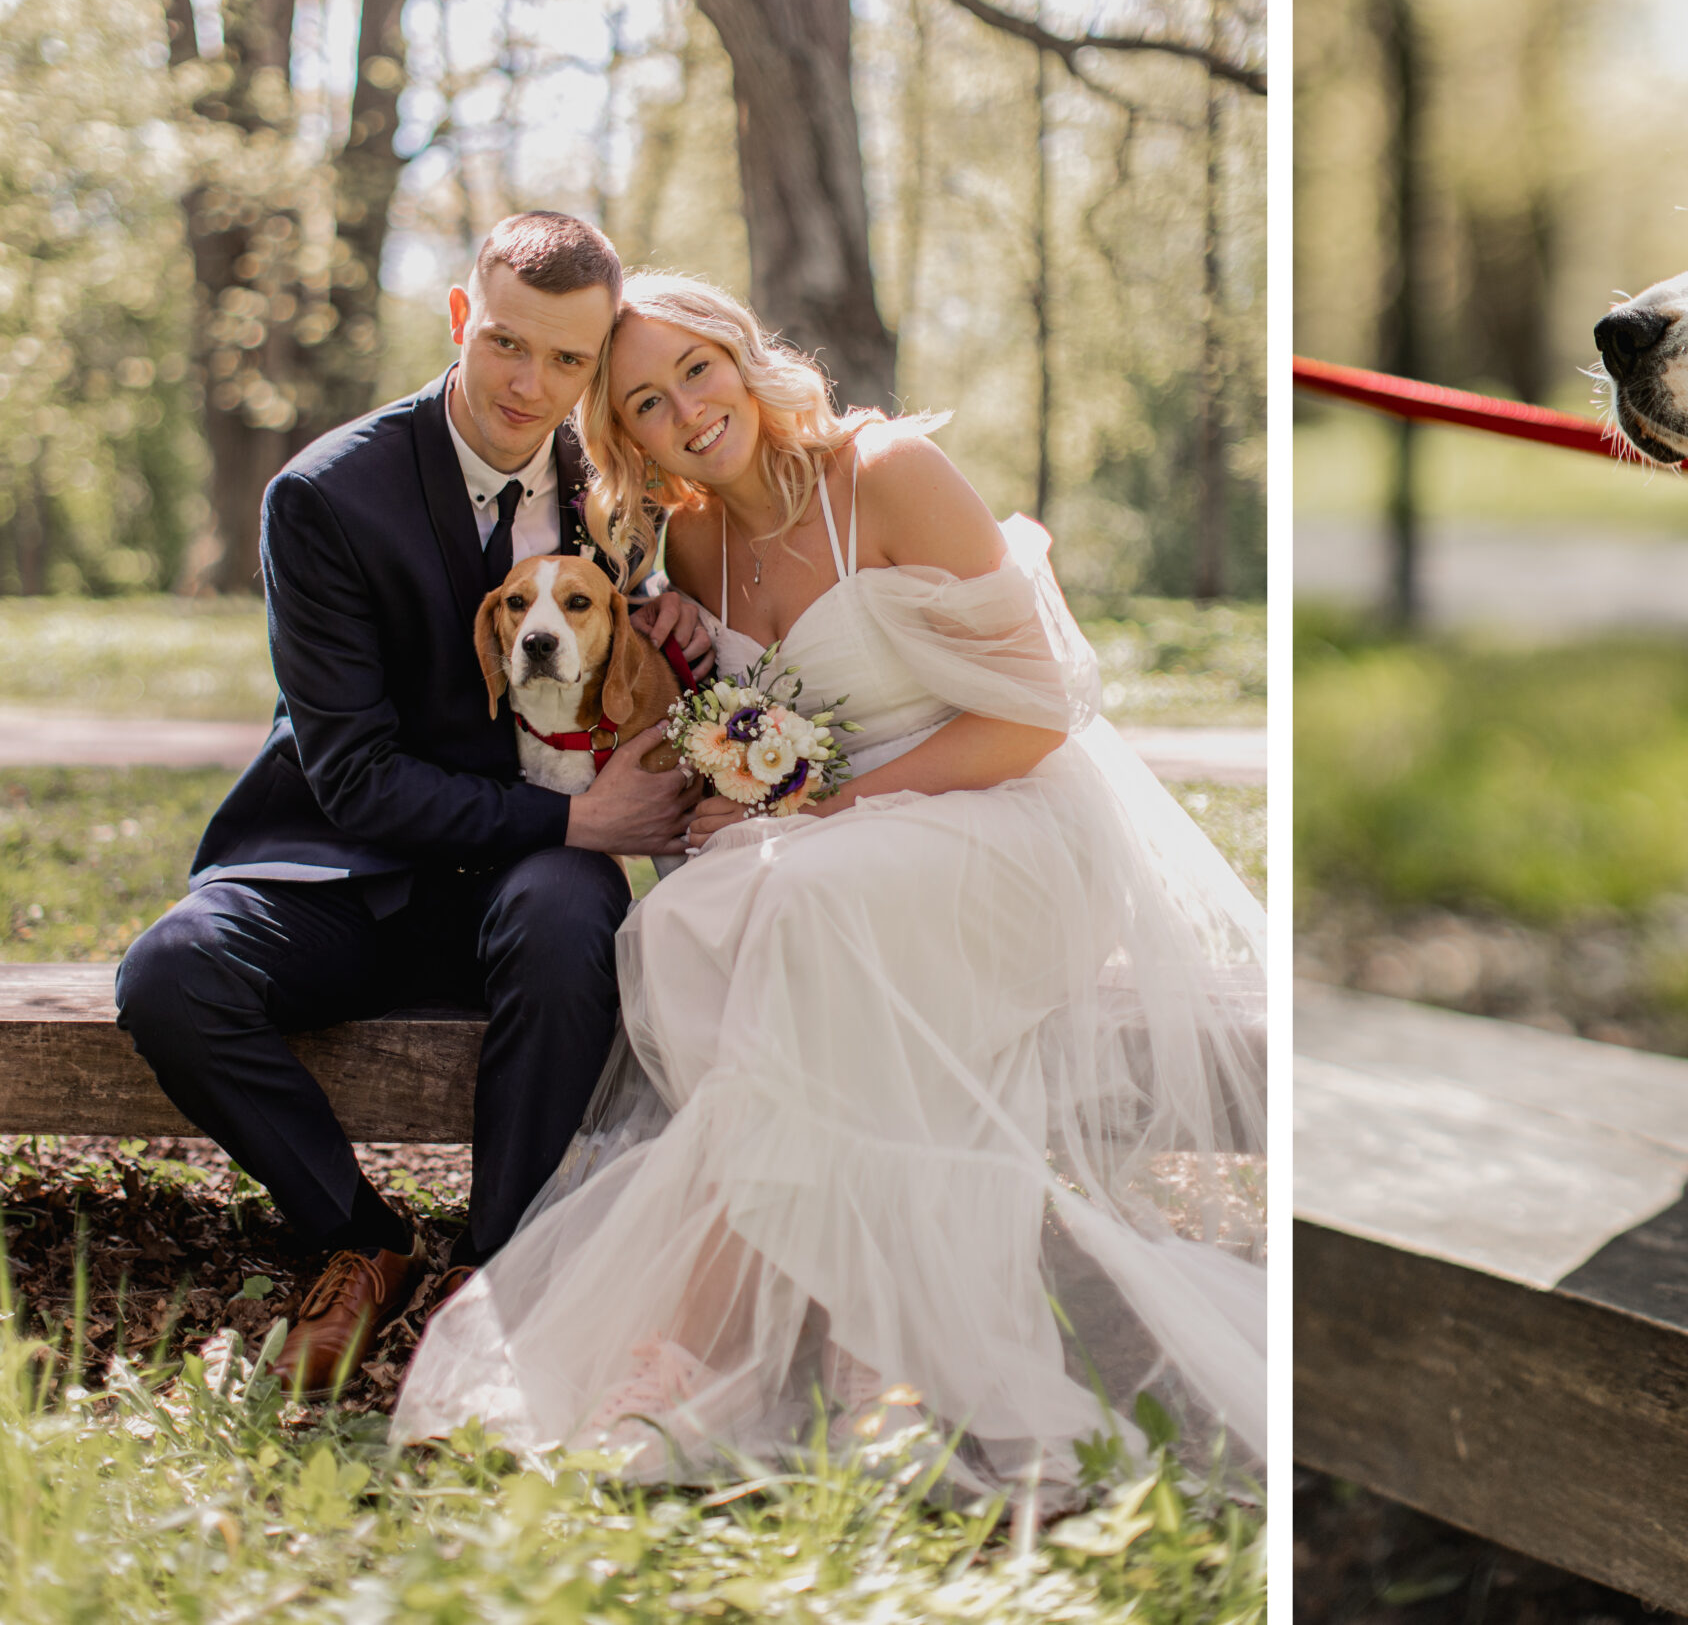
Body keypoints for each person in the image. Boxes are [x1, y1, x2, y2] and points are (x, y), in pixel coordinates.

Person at [393, 272, 1267, 1493]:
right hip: (846, 859)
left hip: (1013, 825)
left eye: (697, 368)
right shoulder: (694, 539)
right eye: (646, 401)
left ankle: (691, 1349)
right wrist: (714, 778)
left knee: (808, 901)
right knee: (700, 915)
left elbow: (1039, 718)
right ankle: (872, 1351)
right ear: (630, 439)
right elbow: (737, 734)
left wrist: (828, 807)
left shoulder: (890, 472)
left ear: (744, 357)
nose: (687, 408)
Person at [115, 214, 709, 1393]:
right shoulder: (328, 497)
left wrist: (683, 620)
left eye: (569, 361)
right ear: (458, 319)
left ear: (597, 366)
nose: (530, 384)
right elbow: (355, 776)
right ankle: (359, 1235)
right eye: (505, 344)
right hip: (342, 862)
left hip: (529, 881)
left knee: (562, 913)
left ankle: (497, 1270)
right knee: (169, 974)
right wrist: (575, 821)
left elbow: (662, 638)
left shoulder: (623, 490)